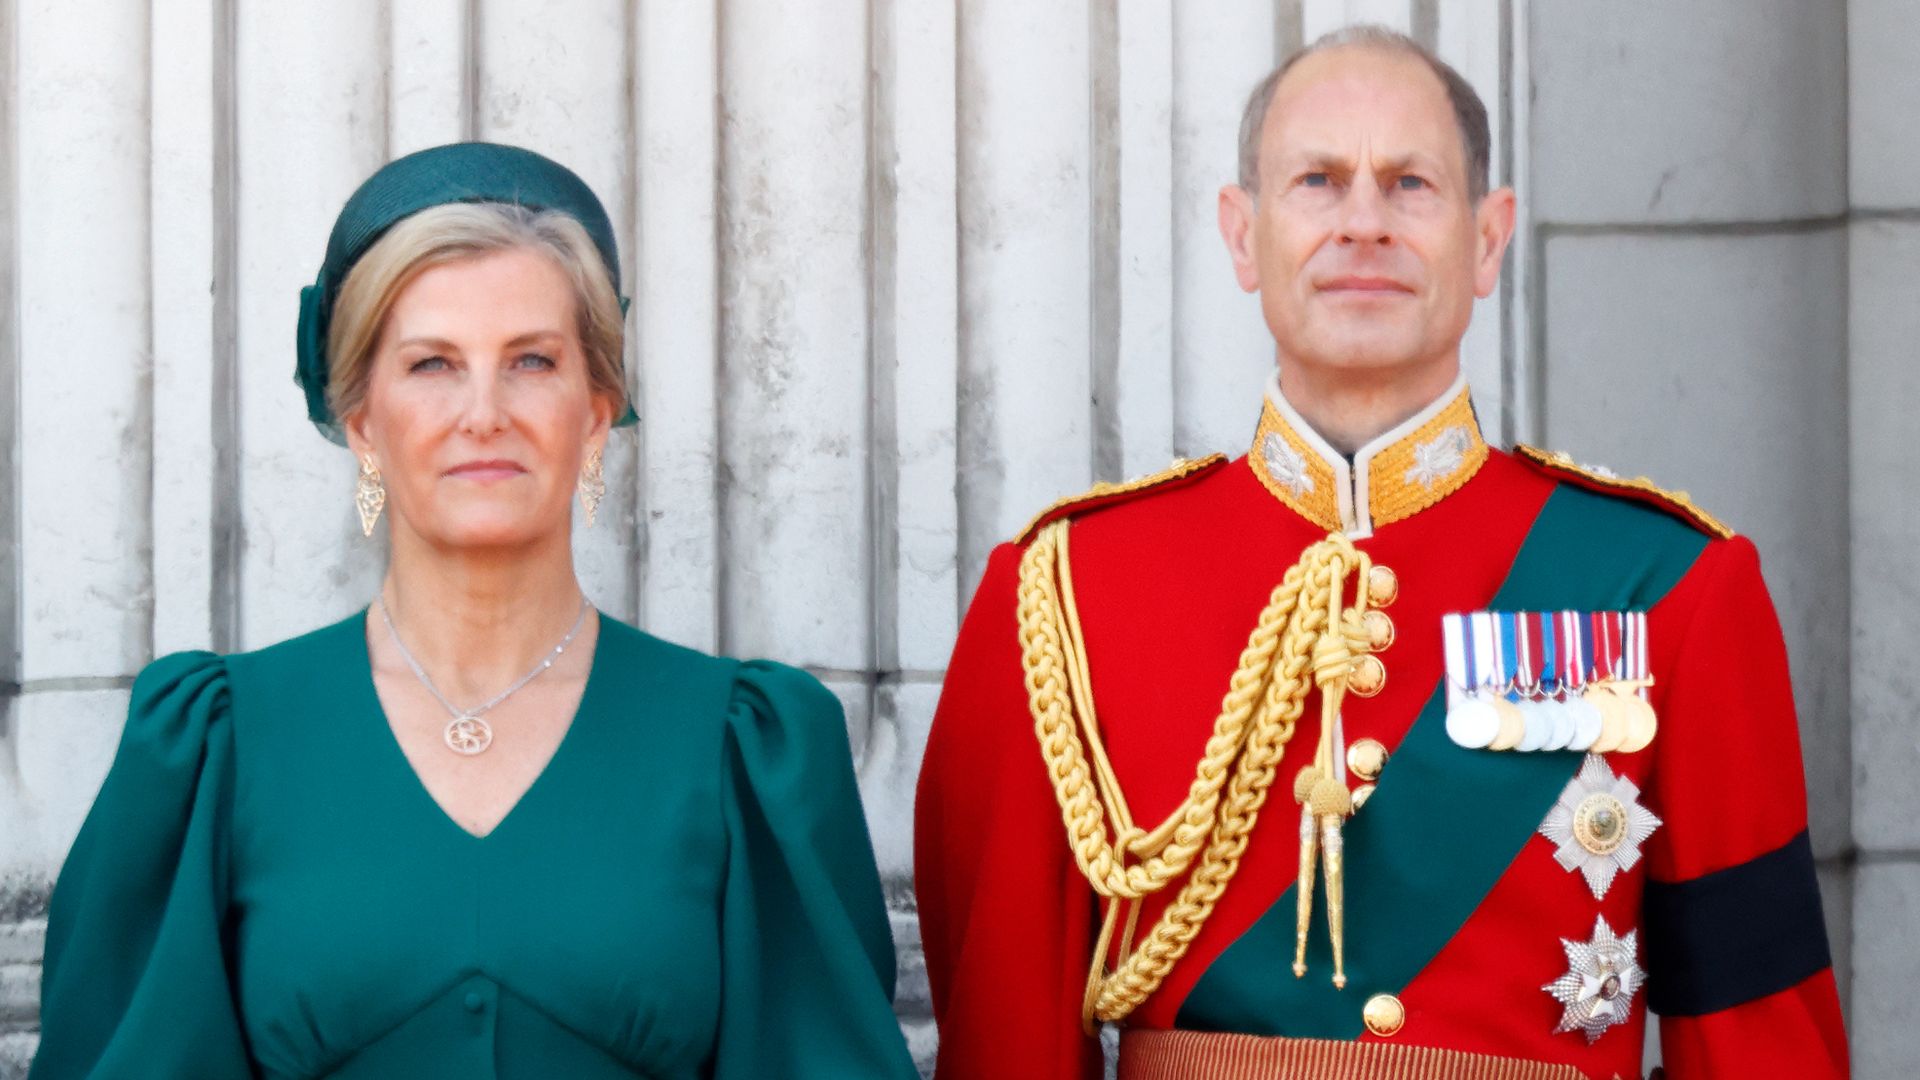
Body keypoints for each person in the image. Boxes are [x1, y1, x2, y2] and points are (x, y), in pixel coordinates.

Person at [914, 26, 1848, 1080]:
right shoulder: (1066, 597)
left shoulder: (1666, 586)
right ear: (1241, 234)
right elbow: (1005, 1043)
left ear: (1488, 239)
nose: (1364, 222)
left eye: (1411, 184)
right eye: (1318, 180)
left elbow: (1759, 1036)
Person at [32, 142, 917, 1080]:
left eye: (532, 360)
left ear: (596, 407)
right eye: (433, 364)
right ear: (363, 418)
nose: (484, 412)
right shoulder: (214, 745)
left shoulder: (749, 748)